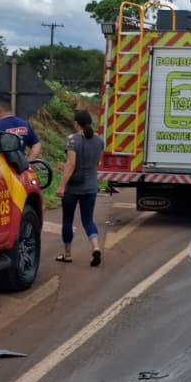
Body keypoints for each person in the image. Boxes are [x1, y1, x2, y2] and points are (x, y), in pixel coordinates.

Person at [56, 109, 105, 266]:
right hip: (91, 187)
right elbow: (97, 162)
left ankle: (67, 254)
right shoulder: (99, 141)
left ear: (76, 123)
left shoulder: (73, 140)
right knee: (88, 220)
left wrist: (61, 186)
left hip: (73, 188)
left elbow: (71, 164)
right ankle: (95, 247)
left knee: (68, 220)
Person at [0, 96, 42, 161]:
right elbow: (36, 144)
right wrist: (29, 162)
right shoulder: (24, 124)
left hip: (1, 166)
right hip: (20, 166)